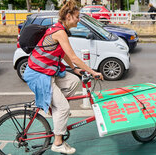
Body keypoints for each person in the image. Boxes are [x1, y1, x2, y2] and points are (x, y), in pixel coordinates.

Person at [23, 0, 103, 154]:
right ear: (68, 16)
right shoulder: (59, 32)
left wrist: (74, 70)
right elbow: (73, 56)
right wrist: (93, 72)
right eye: (77, 16)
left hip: (47, 72)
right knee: (64, 107)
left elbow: (63, 53)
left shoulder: (60, 29)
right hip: (38, 75)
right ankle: (58, 143)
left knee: (73, 80)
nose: (79, 20)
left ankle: (57, 109)